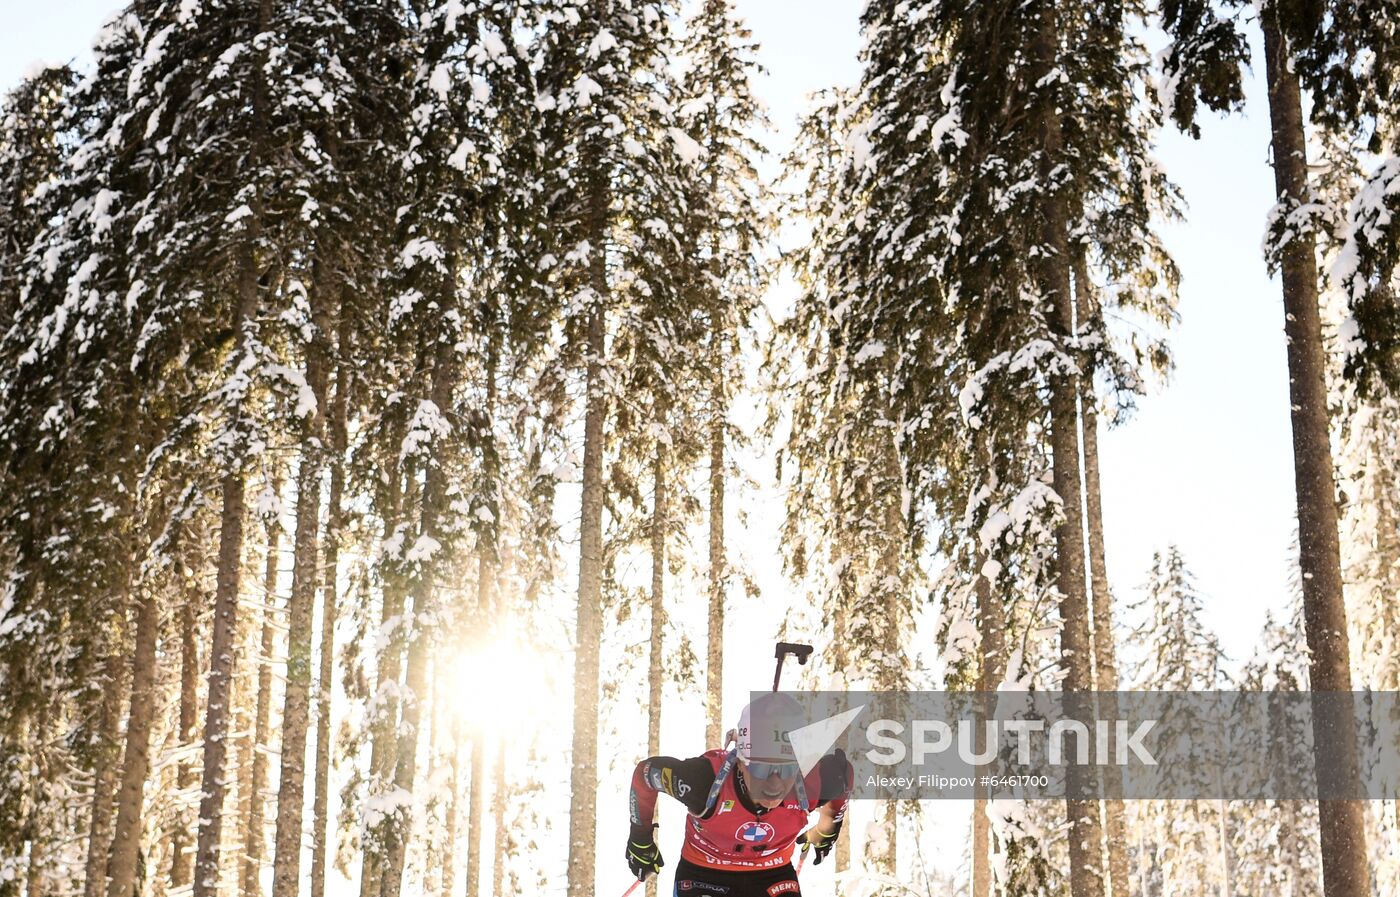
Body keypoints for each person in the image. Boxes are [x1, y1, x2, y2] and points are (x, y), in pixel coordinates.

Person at [626, 692, 852, 896]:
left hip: (772, 873)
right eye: (761, 768)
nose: (775, 783)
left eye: (786, 769)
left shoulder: (815, 782)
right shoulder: (704, 782)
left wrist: (828, 830)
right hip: (704, 873)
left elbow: (844, 776)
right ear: (740, 761)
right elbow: (646, 773)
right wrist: (640, 839)